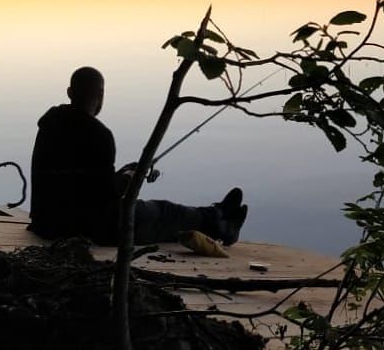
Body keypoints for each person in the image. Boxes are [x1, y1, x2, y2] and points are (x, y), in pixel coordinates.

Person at [29, 66, 247, 246]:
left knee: (158, 212)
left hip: (44, 222)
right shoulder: (100, 135)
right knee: (164, 212)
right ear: (101, 95)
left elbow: (80, 182)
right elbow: (104, 197)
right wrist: (127, 181)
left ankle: (217, 214)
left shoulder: (49, 125)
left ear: (69, 92)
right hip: (85, 228)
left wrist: (124, 173)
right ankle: (221, 225)